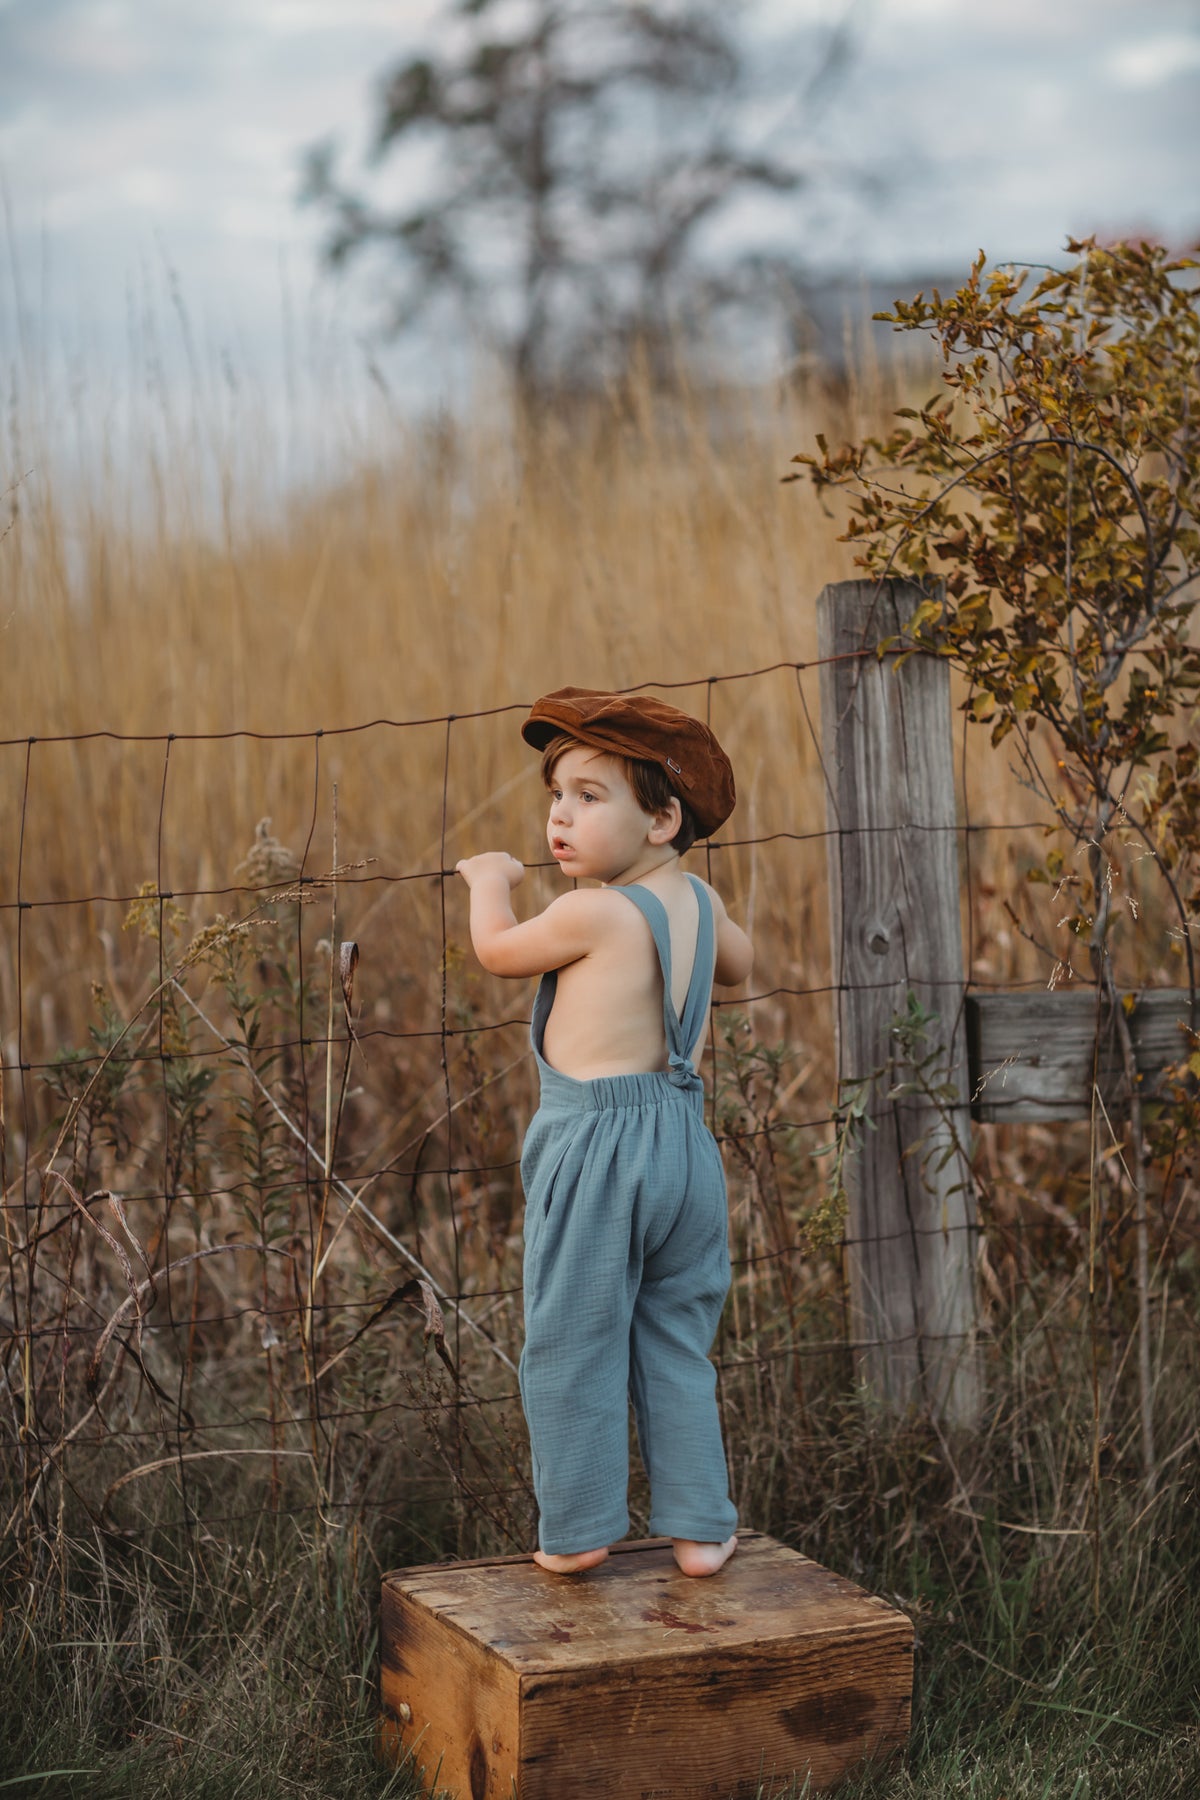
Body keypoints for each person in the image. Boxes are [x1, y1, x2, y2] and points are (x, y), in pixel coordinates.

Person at [456, 687, 753, 1578]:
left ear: (662, 820)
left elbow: (499, 953)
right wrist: (708, 918)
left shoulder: (589, 913)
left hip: (597, 1151)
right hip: (684, 1147)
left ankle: (579, 1530)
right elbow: (741, 963)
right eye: (557, 795)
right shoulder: (695, 900)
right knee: (674, 1337)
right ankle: (702, 1529)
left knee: (573, 1339)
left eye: (591, 798)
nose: (561, 817)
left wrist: (487, 883)